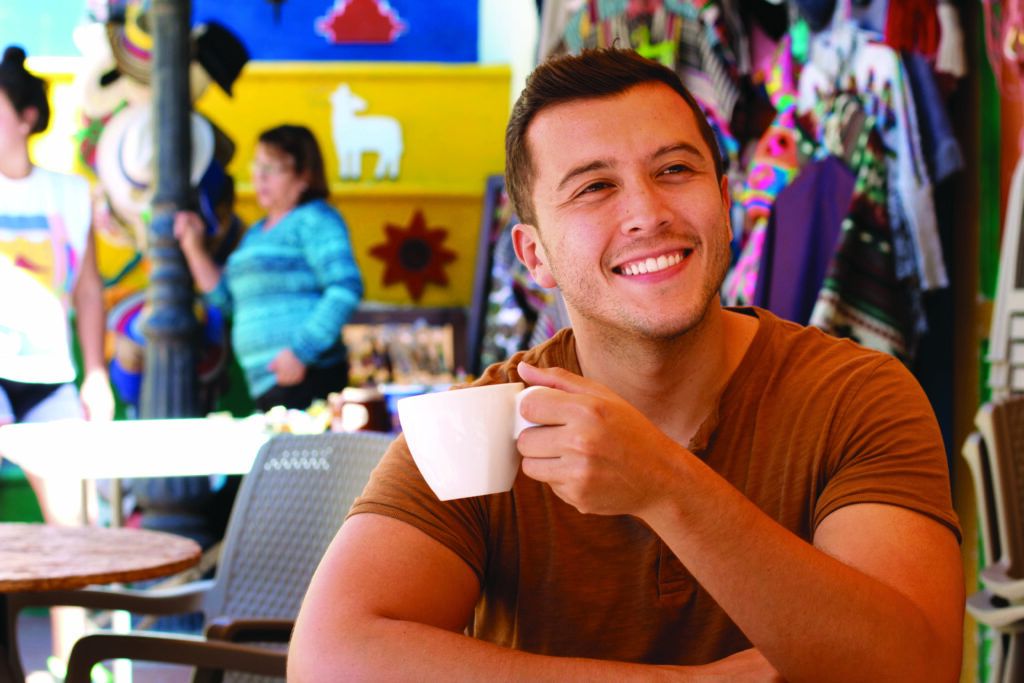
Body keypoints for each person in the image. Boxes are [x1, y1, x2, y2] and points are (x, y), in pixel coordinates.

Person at [289, 48, 964, 681]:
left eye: (674, 169)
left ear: (726, 202)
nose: (647, 211)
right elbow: (328, 659)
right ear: (533, 255)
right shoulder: (484, 422)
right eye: (594, 188)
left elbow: (917, 665)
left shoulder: (857, 394)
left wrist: (664, 484)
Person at [0, 44, 116, 670]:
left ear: (23, 116)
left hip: (51, 373)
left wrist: (97, 372)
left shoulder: (70, 192)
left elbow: (90, 288)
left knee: (69, 528)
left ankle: (74, 657)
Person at [175, 124, 363, 412]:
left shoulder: (315, 219)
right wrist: (193, 247)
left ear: (304, 176)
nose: (259, 177)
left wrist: (301, 352)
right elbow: (228, 301)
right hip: (269, 384)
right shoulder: (255, 234)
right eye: (257, 165)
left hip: (308, 377)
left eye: (272, 168)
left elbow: (346, 288)